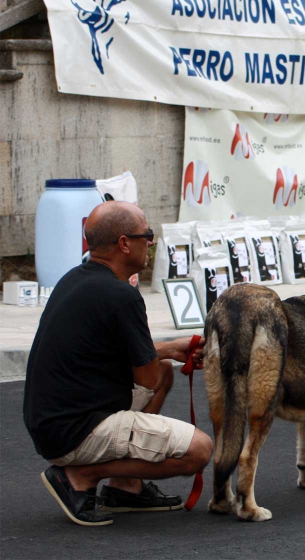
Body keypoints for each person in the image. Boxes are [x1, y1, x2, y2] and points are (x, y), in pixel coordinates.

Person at [23, 201, 213, 527]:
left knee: (166, 368)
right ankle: (81, 474)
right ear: (125, 243)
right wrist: (160, 353)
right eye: (147, 234)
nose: (151, 242)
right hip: (75, 433)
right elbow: (147, 378)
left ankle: (126, 487)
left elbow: (125, 356)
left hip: (50, 422)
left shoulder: (75, 279)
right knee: (199, 450)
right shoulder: (122, 296)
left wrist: (167, 350)